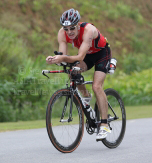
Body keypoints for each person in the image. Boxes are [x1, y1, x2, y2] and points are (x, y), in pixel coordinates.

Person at [46, 8, 112, 140]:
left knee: (97, 86)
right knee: (72, 72)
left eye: (72, 28)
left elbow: (80, 56)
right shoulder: (62, 33)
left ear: (77, 25)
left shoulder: (88, 30)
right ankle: (86, 96)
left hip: (101, 54)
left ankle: (104, 124)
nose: (69, 32)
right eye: (66, 29)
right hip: (88, 55)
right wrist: (55, 60)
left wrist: (63, 59)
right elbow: (62, 57)